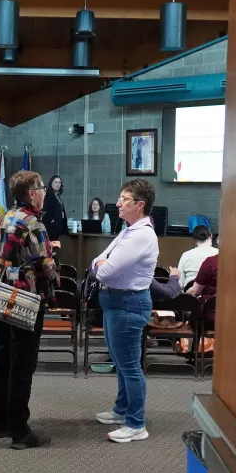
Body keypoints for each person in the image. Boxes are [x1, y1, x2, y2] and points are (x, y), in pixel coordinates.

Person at [0, 170, 58, 450]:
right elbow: (45, 267)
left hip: (2, 292)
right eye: (41, 188)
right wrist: (55, 263)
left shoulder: (7, 217)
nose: (44, 193)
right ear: (31, 193)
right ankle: (19, 430)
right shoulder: (33, 223)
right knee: (22, 364)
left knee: (2, 358)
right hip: (26, 297)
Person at [91, 179, 159, 444]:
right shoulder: (130, 230)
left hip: (129, 303)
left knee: (130, 366)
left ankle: (136, 423)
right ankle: (122, 409)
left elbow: (104, 269)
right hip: (115, 301)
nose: (118, 203)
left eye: (124, 199)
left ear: (140, 205)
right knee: (120, 363)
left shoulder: (142, 234)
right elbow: (99, 260)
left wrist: (99, 264)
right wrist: (100, 263)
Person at [42, 175, 67, 245]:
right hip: (51, 228)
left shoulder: (56, 195)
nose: (58, 184)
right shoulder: (48, 195)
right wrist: (51, 220)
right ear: (51, 184)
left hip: (57, 227)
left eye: (59, 182)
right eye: (55, 182)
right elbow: (43, 210)